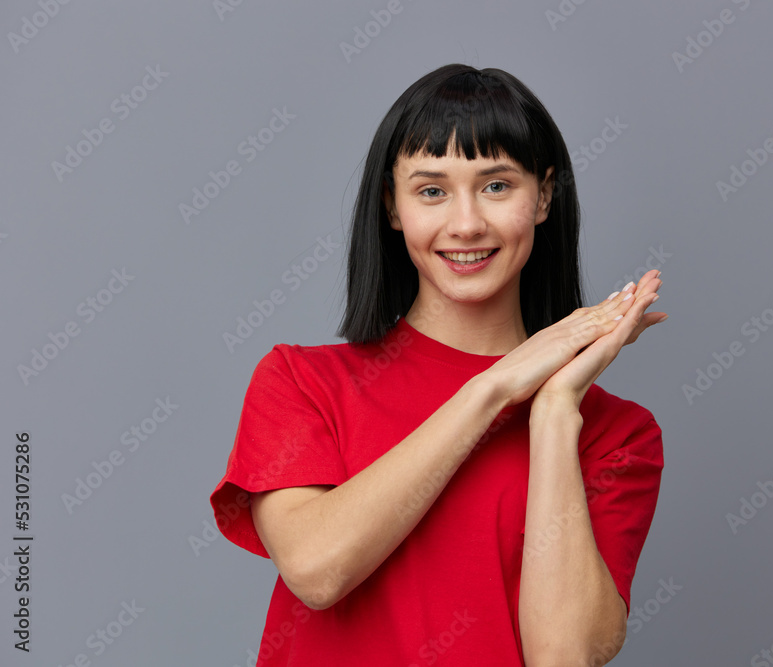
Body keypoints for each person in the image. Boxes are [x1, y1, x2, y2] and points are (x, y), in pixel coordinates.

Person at [210, 63, 668, 666]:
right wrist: (495, 388)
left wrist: (555, 409)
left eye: (497, 185)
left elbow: (564, 656)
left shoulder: (618, 436)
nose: (466, 223)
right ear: (393, 208)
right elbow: (317, 570)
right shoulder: (301, 382)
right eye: (432, 190)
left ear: (545, 196)